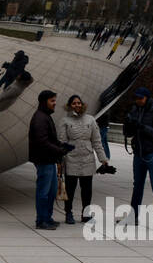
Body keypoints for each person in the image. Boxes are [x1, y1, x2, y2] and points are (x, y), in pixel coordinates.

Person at [58, 94, 109, 224]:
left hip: (87, 158)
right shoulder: (65, 121)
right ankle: (68, 213)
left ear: (82, 104)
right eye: (74, 103)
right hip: (71, 158)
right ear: (70, 106)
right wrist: (60, 160)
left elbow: (97, 141)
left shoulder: (90, 120)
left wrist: (103, 158)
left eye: (79, 103)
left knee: (87, 189)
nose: (77, 105)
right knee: (70, 188)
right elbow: (62, 142)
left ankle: (85, 214)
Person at [125, 87, 153, 223]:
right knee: (137, 185)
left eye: (141, 98)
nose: (138, 101)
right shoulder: (135, 109)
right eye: (136, 98)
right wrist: (129, 125)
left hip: (152, 152)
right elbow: (129, 132)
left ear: (147, 98)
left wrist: (142, 127)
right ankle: (133, 216)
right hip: (139, 152)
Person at [28, 90, 69, 230]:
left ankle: (47, 217)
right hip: (44, 160)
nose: (55, 103)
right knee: (43, 192)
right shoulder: (40, 118)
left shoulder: (45, 116)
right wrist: (59, 150)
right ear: (44, 102)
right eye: (52, 101)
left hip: (49, 160)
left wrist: (61, 146)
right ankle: (41, 220)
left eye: (54, 100)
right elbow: (42, 141)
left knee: (51, 192)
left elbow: (50, 139)